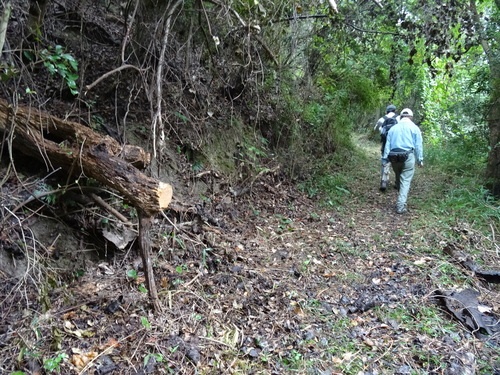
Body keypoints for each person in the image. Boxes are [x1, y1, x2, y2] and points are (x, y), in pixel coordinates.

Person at [382, 108, 424, 214]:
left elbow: (388, 145)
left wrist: (385, 159)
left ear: (400, 116)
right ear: (411, 117)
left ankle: (399, 189)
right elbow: (418, 145)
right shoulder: (415, 128)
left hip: (393, 157)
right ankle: (401, 205)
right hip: (408, 156)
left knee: (398, 175)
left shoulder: (393, 128)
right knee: (405, 180)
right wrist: (420, 160)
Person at [374, 104, 399, 191]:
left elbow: (375, 129)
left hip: (385, 143)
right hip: (396, 144)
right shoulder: (399, 118)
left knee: (385, 160)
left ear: (386, 111)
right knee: (397, 161)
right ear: (395, 111)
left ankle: (384, 181)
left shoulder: (382, 119)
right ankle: (397, 182)